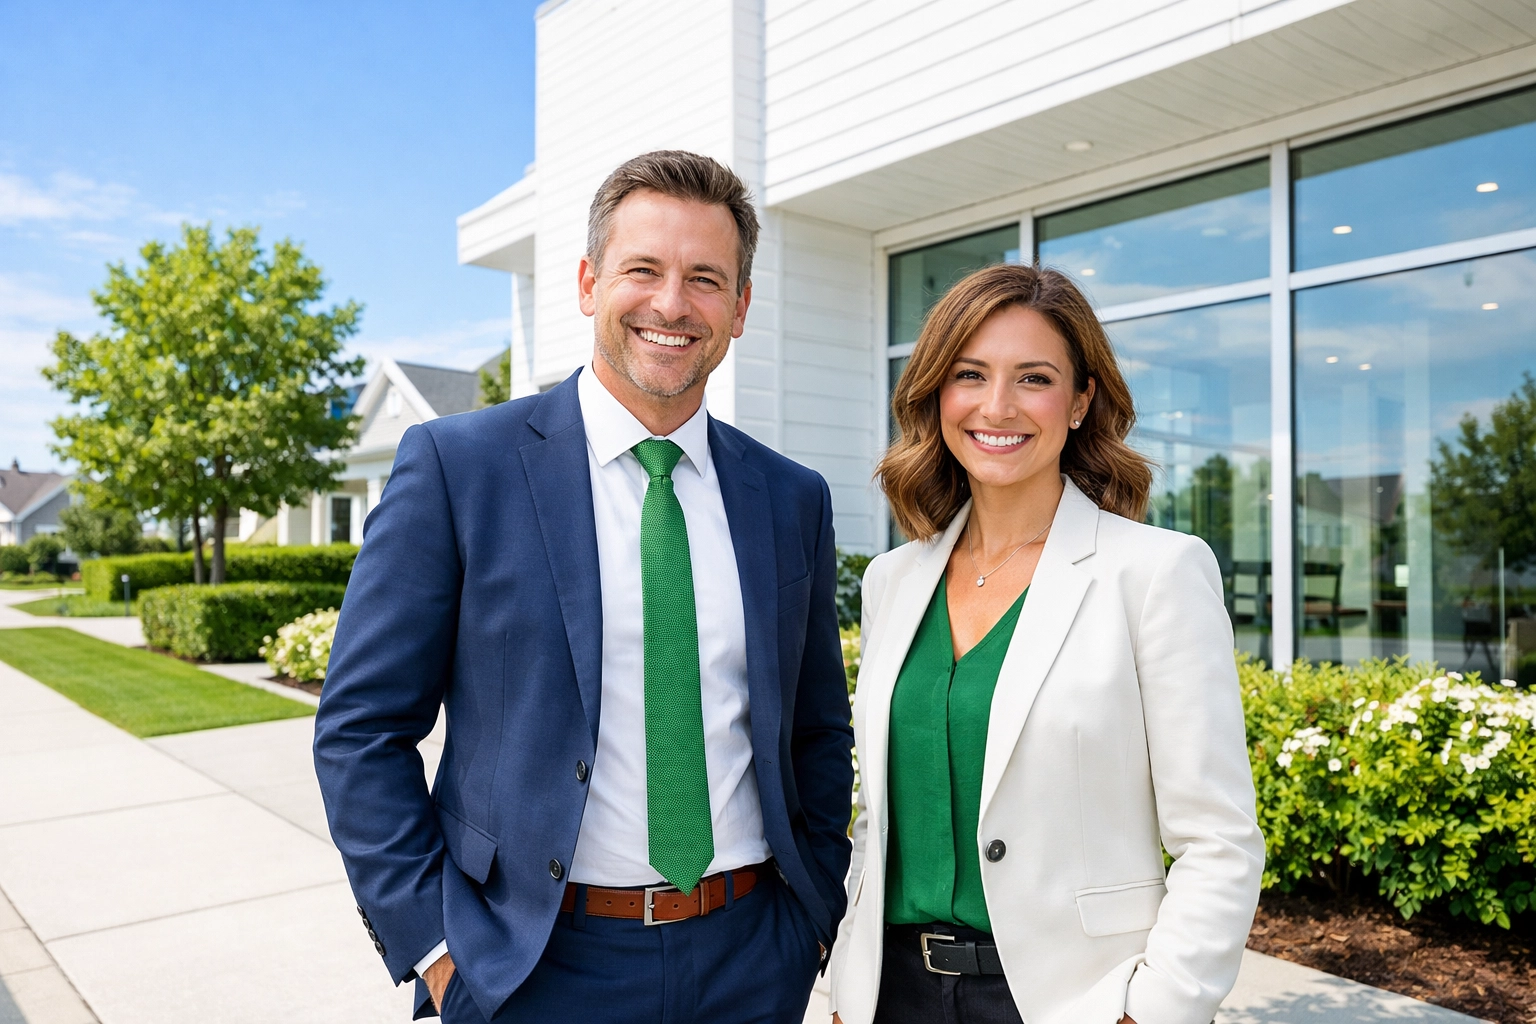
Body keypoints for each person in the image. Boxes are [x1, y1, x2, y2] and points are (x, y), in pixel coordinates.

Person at [314, 150, 854, 1023]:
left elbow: (818, 729)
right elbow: (360, 732)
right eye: (643, 269)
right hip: (531, 969)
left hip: (753, 959)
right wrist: (441, 952)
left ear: (741, 308)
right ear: (587, 282)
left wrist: (812, 919)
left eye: (706, 279)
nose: (672, 304)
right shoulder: (461, 469)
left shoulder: (792, 498)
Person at [827, 264, 1263, 1024]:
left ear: (1081, 400)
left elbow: (1219, 838)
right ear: (936, 392)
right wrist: (847, 982)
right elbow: (879, 818)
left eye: (1033, 378)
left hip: (1075, 999)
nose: (997, 406)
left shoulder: (1155, 572)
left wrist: (1153, 1010)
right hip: (890, 994)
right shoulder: (894, 581)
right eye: (970, 374)